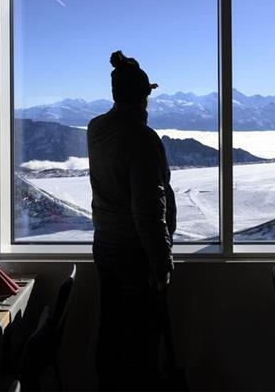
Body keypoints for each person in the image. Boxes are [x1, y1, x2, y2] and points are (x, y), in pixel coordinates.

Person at [88, 50, 176, 391]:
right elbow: (148, 208)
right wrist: (161, 262)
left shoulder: (96, 128)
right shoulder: (142, 139)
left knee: (111, 328)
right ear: (143, 98)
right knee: (141, 340)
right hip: (135, 252)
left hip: (105, 244)